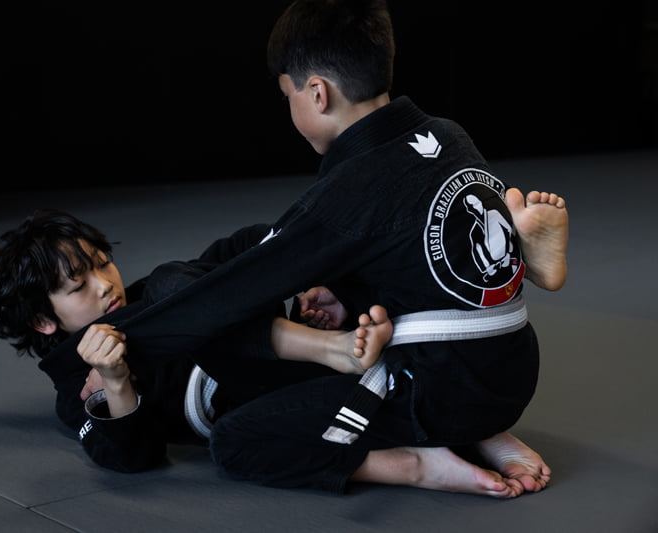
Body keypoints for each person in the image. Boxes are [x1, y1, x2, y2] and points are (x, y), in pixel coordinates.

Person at [36, 0, 571, 498]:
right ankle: (519, 268)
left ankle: (418, 460)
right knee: (365, 277)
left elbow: (232, 292)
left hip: (439, 389)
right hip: (512, 364)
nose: (105, 284)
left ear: (317, 94)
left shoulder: (347, 192)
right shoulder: (447, 134)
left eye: (288, 95)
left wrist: (128, 341)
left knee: (239, 443)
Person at [0, 209, 393, 472]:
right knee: (173, 283)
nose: (103, 286)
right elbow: (132, 458)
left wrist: (310, 288)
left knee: (237, 247)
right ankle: (334, 348)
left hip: (291, 359)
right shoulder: (75, 385)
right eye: (78, 286)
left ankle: (345, 321)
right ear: (44, 321)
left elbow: (238, 253)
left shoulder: (151, 290)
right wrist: (115, 381)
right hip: (257, 402)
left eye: (102, 265)